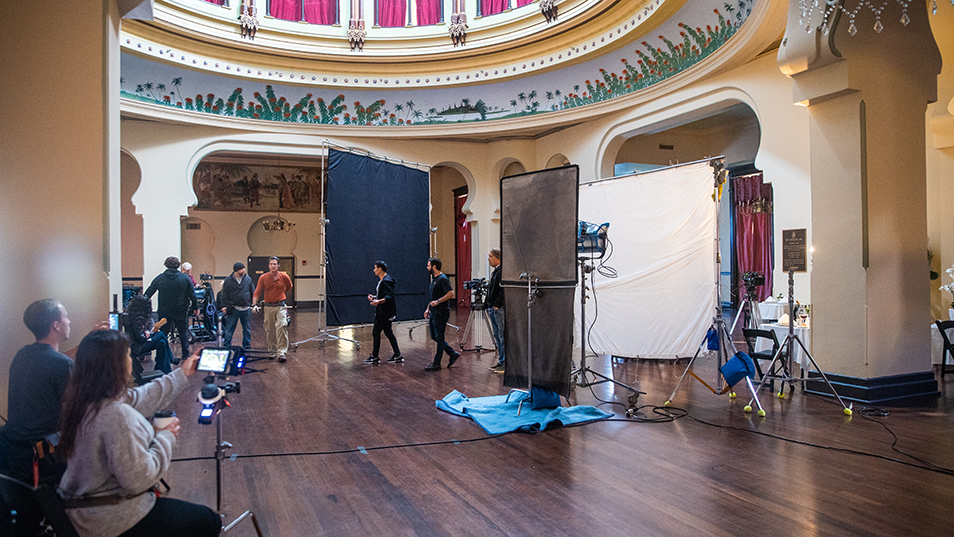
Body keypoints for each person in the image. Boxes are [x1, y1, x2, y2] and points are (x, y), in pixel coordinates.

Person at [56, 330, 220, 537]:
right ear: (116, 365)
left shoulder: (83, 402)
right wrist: (165, 436)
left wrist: (182, 373)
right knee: (207, 520)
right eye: (127, 354)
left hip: (81, 511)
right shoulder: (114, 414)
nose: (130, 359)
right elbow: (139, 479)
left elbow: (140, 397)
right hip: (108, 518)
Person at [0, 299, 73, 484]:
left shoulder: (23, 354)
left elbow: (53, 363)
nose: (69, 321)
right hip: (44, 460)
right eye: (66, 317)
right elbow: (74, 416)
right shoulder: (62, 365)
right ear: (55, 325)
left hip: (14, 456)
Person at [145, 256, 198, 362]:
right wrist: (195, 307)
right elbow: (192, 294)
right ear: (178, 266)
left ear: (166, 265)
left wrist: (142, 303)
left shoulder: (160, 278)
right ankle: (186, 354)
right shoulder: (184, 278)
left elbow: (149, 292)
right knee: (183, 333)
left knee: (163, 333)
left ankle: (162, 354)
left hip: (164, 311)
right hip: (180, 310)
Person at [252, 256, 293, 362]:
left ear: (278, 265)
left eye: (275, 264)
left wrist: (281, 293)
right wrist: (254, 304)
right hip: (268, 307)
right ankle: (272, 350)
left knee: (282, 326)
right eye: (271, 264)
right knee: (270, 330)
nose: (273, 266)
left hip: (280, 306)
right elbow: (257, 291)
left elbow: (289, 287)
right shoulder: (263, 277)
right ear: (268, 265)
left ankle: (282, 352)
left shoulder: (284, 277)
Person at [423, 257, 460, 371]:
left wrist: (438, 301)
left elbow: (451, 293)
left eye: (429, 265)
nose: (427, 267)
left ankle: (437, 362)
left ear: (434, 266)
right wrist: (428, 308)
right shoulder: (433, 279)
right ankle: (452, 353)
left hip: (441, 312)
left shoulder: (443, 279)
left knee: (439, 337)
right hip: (434, 311)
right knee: (434, 336)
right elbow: (432, 297)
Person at [124, 294, 174, 374]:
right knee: (161, 334)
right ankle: (169, 363)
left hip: (135, 345)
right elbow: (141, 338)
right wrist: (146, 335)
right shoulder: (138, 318)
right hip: (137, 347)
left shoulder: (132, 316)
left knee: (162, 342)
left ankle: (164, 368)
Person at [364, 261, 403, 365]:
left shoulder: (386, 281)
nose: (374, 270)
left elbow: (389, 297)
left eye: (375, 268)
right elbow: (384, 295)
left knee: (376, 332)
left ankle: (375, 356)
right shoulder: (383, 280)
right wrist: (375, 297)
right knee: (388, 332)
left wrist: (378, 301)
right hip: (385, 311)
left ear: (380, 269)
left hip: (384, 313)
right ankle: (398, 355)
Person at [220, 262, 256, 349]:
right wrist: (224, 306)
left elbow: (252, 292)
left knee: (246, 329)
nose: (243, 270)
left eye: (243, 268)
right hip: (233, 308)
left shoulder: (248, 279)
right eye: (241, 269)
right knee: (229, 329)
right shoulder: (228, 280)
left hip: (246, 308)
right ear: (236, 270)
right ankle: (227, 346)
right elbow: (224, 294)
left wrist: (253, 304)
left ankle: (246, 346)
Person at [485, 249, 506, 373]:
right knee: (497, 335)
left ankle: (504, 362)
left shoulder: (502, 271)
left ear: (498, 258)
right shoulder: (496, 272)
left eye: (491, 256)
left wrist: (497, 304)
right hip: (493, 307)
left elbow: (503, 290)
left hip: (498, 308)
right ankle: (501, 360)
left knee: (501, 335)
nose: (488, 259)